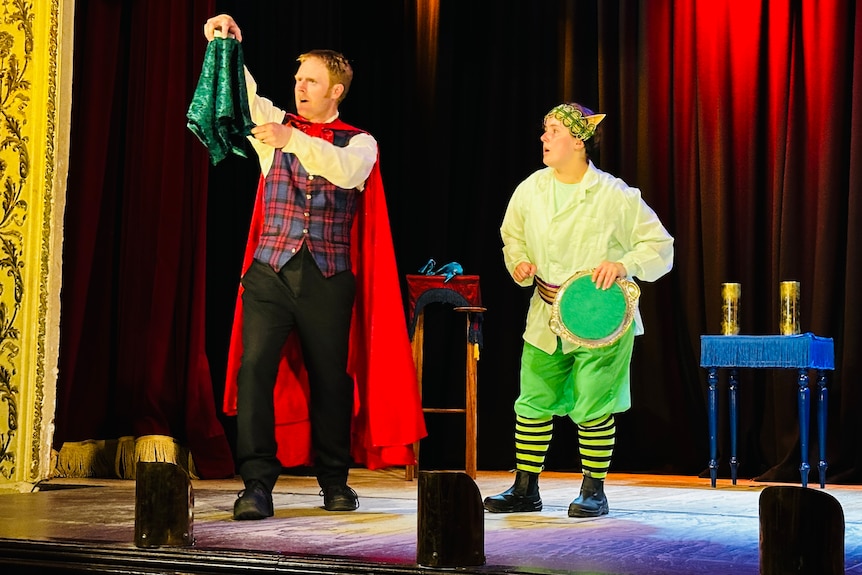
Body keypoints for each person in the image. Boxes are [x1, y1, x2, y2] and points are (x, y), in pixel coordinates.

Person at [202, 14, 426, 520]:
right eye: (297, 80)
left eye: (310, 81)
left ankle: (334, 480)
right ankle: (256, 484)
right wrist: (225, 42)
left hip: (328, 275)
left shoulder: (359, 143)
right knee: (254, 370)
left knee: (331, 378)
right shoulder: (274, 129)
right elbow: (243, 95)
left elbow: (342, 171)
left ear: (336, 91)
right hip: (269, 271)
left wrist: (294, 139)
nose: (300, 88)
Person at [485, 103, 674, 518]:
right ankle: (525, 487)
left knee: (593, 403)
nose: (543, 138)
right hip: (546, 310)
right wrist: (519, 262)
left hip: (599, 317)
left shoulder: (614, 195)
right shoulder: (532, 188)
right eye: (544, 129)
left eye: (552, 130)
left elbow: (660, 246)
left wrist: (624, 264)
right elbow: (511, 235)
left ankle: (593, 489)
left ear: (578, 140)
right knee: (533, 399)